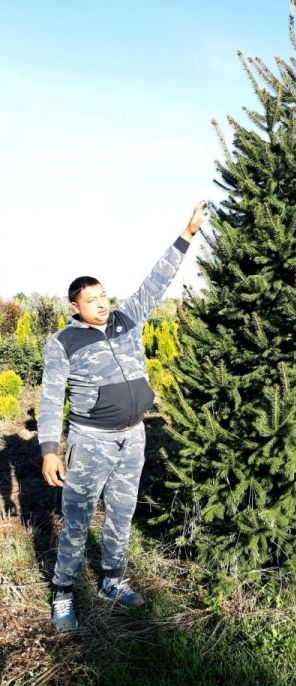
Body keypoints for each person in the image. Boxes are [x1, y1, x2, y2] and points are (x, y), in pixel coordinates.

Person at [38, 201, 207, 631]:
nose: (102, 304)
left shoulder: (126, 320)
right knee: (77, 517)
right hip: (89, 441)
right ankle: (63, 593)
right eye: (91, 300)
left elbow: (157, 280)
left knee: (121, 511)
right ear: (75, 306)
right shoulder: (63, 342)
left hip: (133, 437)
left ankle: (113, 579)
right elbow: (52, 397)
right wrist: (49, 450)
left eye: (104, 296)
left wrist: (186, 234)